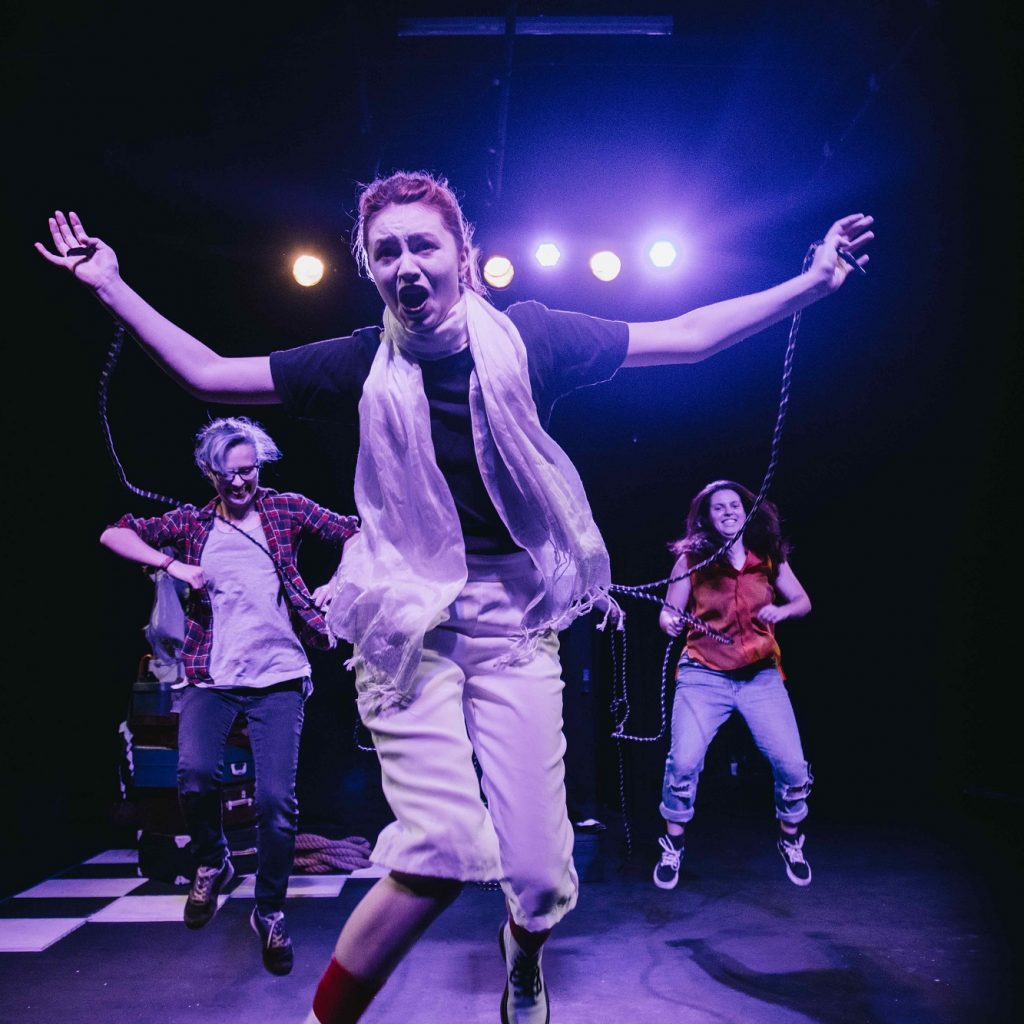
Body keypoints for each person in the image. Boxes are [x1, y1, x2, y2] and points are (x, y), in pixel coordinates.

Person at [38, 174, 872, 1023]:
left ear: (462, 254)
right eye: (386, 251)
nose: (407, 264)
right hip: (408, 620)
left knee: (544, 881)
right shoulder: (360, 361)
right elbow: (209, 373)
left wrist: (810, 282)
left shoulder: (533, 338)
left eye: (423, 245)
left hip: (516, 622)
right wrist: (109, 283)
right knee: (442, 850)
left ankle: (522, 955)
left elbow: (688, 337)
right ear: (370, 268)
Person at [99, 416, 359, 975]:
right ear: (209, 472)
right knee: (193, 778)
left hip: (279, 678)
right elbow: (114, 533)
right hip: (210, 676)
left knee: (275, 806)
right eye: (229, 474)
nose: (241, 483)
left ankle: (268, 911)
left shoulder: (285, 508)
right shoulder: (192, 523)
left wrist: (337, 585)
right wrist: (173, 564)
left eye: (249, 471)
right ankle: (213, 861)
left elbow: (355, 532)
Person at [652, 480, 814, 892]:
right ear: (707, 517)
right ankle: (673, 842)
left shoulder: (768, 558)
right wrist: (670, 621)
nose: (727, 512)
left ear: (746, 510)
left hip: (758, 673)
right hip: (703, 674)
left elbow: (803, 601)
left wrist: (782, 611)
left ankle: (791, 836)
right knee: (684, 762)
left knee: (793, 766)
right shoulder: (693, 558)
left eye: (734, 505)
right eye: (718, 508)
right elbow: (669, 612)